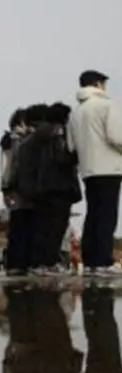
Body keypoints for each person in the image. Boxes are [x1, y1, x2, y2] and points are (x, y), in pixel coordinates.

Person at [67, 70, 122, 275]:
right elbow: (116, 137)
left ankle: (90, 259)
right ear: (99, 84)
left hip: (88, 169)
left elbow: (72, 147)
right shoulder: (107, 105)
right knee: (107, 215)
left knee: (93, 213)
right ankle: (103, 260)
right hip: (109, 167)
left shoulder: (76, 112)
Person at [19, 102, 81, 275]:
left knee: (42, 227)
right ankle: (50, 262)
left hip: (42, 189)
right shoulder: (58, 134)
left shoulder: (35, 137)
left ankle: (39, 263)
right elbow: (62, 158)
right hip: (60, 187)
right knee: (56, 228)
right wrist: (76, 157)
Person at [0, 108, 31, 276]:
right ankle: (18, 263)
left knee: (17, 225)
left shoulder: (8, 140)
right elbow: (16, 165)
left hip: (11, 184)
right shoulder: (18, 140)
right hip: (19, 185)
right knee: (22, 225)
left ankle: (14, 263)